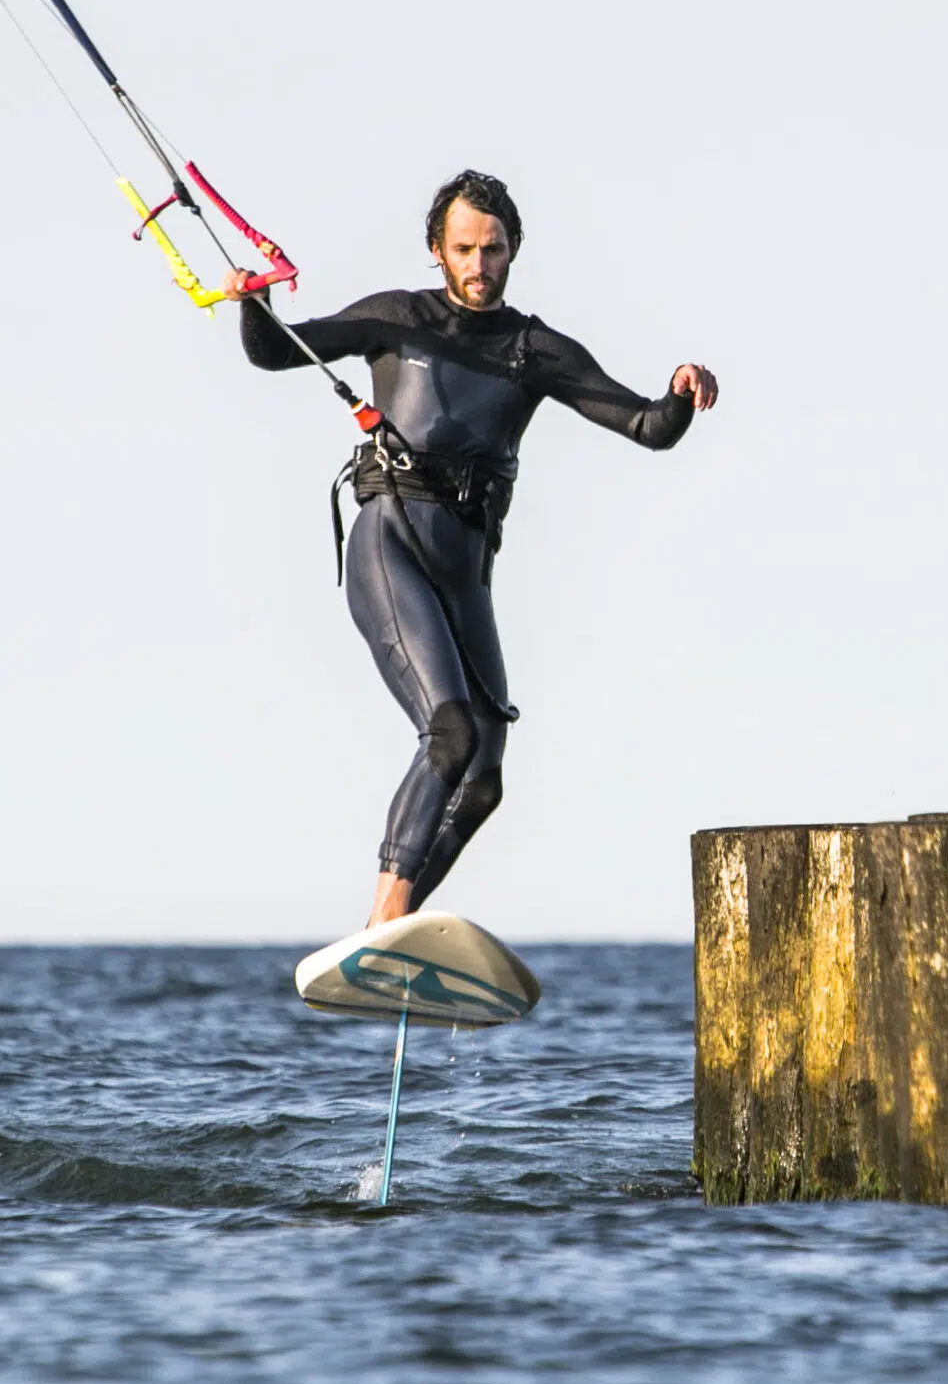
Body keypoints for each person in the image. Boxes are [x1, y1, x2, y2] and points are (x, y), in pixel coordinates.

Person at [224, 170, 718, 929]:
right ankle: (385, 917)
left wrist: (683, 390)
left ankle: (397, 927)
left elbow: (648, 426)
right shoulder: (399, 319)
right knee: (450, 733)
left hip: (465, 574)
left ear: (514, 249)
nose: (479, 265)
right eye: (463, 248)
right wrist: (253, 305)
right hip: (392, 544)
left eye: (492, 249)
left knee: (483, 775)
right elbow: (275, 351)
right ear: (437, 250)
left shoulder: (535, 349)